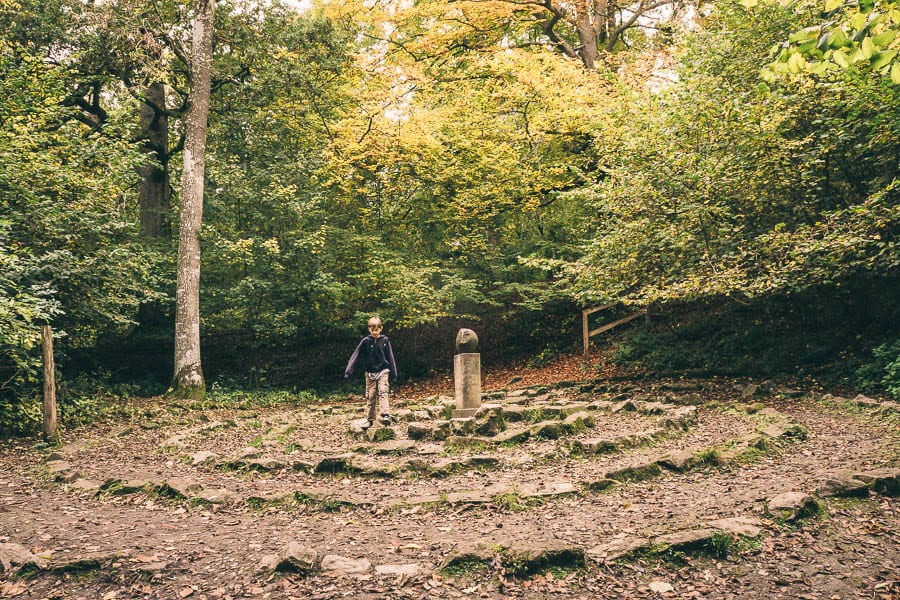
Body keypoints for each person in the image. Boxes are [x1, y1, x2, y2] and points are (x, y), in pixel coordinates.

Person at [344, 316, 398, 426]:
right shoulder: (365, 341)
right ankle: (370, 419)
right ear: (369, 329)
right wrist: (349, 370)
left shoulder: (385, 340)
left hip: (383, 370)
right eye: (373, 330)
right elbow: (356, 355)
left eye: (377, 330)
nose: (375, 332)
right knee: (371, 395)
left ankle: (385, 414)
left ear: (381, 328)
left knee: (383, 391)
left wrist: (394, 373)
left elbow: (390, 356)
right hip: (369, 372)